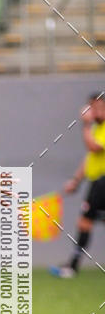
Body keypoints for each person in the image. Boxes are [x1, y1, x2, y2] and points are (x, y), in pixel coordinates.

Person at [51, 93, 105, 278]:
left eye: (97, 107)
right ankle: (72, 266)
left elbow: (94, 148)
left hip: (103, 183)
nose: (93, 112)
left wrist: (86, 124)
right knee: (86, 221)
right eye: (91, 107)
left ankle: (72, 267)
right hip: (97, 182)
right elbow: (90, 158)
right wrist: (76, 180)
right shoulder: (97, 128)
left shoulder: (96, 128)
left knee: (85, 222)